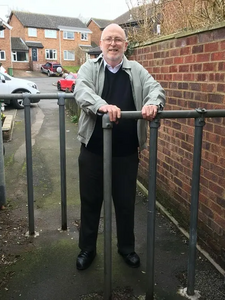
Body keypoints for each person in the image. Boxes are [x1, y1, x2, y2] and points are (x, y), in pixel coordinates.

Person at [73, 23, 165, 271]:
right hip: (93, 151)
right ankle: (87, 249)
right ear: (101, 44)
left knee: (125, 203)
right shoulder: (89, 68)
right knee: (91, 201)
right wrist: (102, 105)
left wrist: (152, 104)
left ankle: (127, 248)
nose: (113, 44)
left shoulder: (136, 70)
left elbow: (155, 88)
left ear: (126, 45)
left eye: (118, 40)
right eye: (108, 39)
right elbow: (80, 90)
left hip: (125, 153)